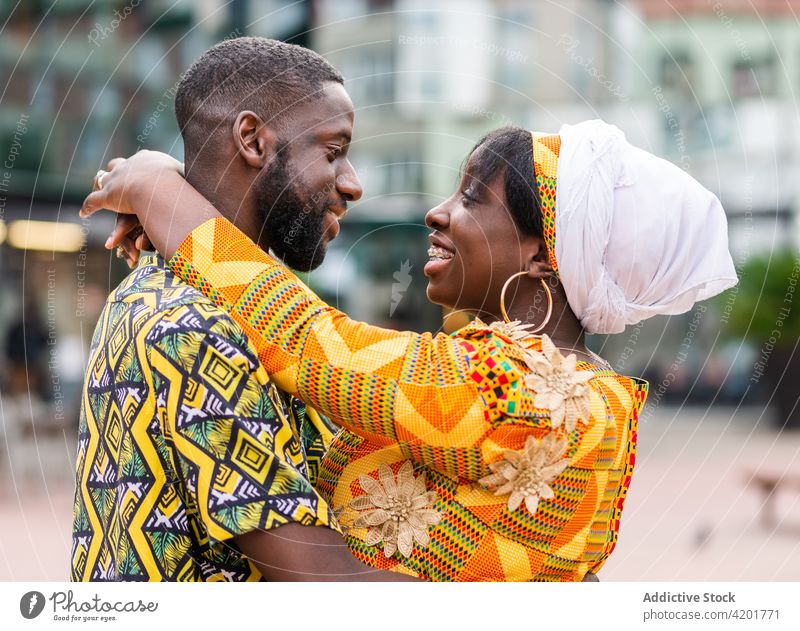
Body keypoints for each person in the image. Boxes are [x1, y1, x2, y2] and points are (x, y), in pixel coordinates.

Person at [85, 104, 738, 581]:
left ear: (543, 254)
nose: (438, 211)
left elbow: (306, 341)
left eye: (472, 197)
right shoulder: (601, 397)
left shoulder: (515, 387)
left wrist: (156, 183)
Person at [70, 37, 416, 582]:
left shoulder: (166, 294)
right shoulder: (195, 326)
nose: (353, 183)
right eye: (333, 150)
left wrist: (159, 185)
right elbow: (322, 584)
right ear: (252, 139)